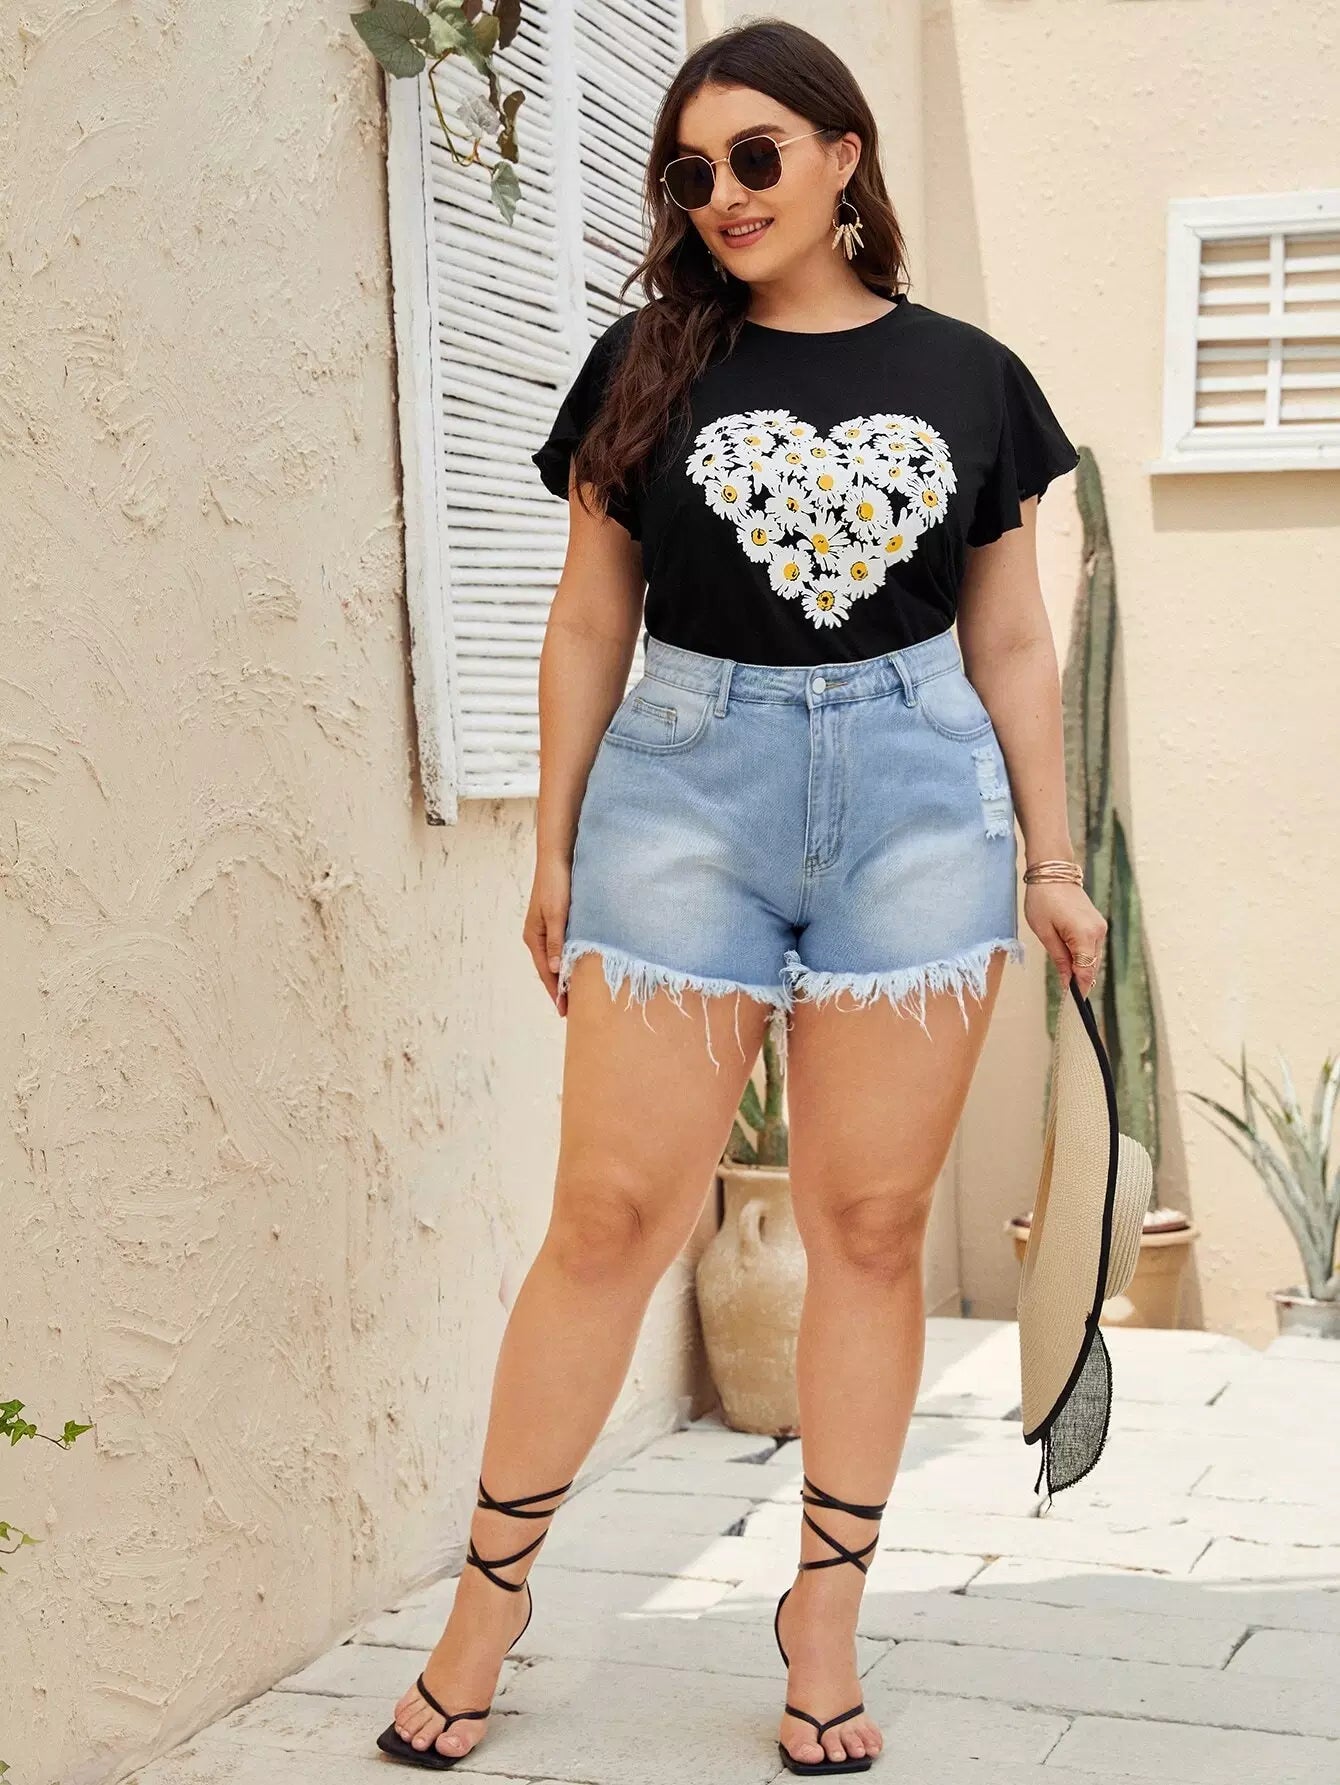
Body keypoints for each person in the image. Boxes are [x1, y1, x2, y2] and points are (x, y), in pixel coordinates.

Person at [378, 16, 1106, 1777]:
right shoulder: (645, 362)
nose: (723, 193)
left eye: (758, 155)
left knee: (870, 1227)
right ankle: (486, 1605)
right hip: (684, 792)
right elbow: (588, 617)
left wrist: (1055, 859)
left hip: (919, 799)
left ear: (845, 158)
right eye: (692, 169)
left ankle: (823, 1620)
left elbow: (1013, 641)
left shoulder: (970, 377)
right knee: (610, 1215)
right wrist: (554, 840)